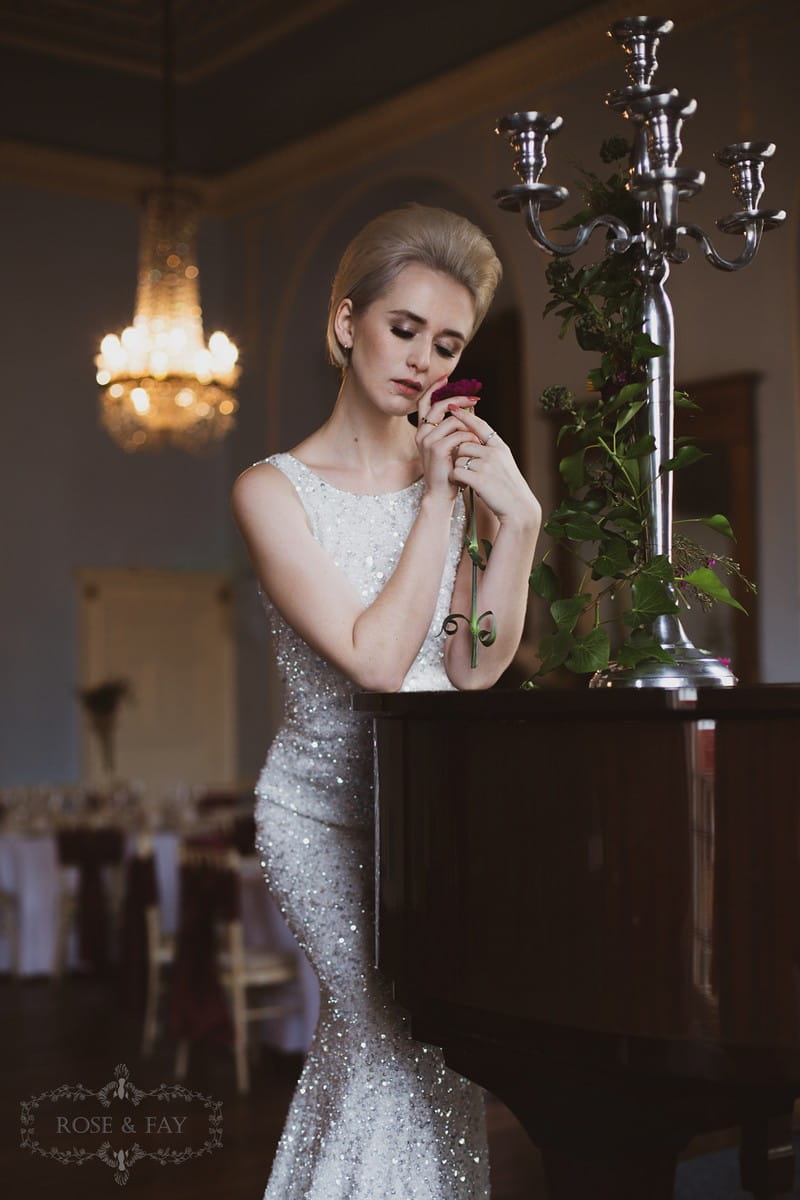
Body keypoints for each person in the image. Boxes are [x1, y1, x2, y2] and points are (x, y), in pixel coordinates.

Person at [232, 204, 540, 1199]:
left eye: (444, 345)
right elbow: (373, 656)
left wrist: (519, 521)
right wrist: (441, 501)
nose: (421, 362)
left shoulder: (439, 480)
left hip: (423, 815)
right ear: (343, 324)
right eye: (403, 329)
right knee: (380, 1041)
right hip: (318, 817)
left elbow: (471, 664)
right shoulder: (270, 491)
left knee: (431, 1054)